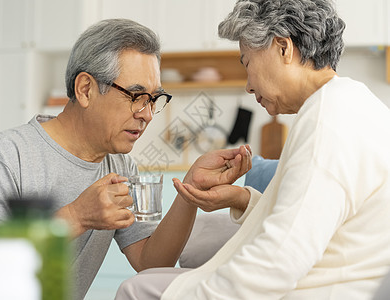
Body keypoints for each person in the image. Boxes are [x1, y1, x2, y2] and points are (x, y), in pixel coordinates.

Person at [0, 18, 253, 300]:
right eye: (136, 96)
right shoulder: (7, 157)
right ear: (85, 90)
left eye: (153, 99)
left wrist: (191, 191)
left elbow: (150, 261)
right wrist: (76, 217)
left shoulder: (120, 165)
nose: (147, 114)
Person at [115, 0, 390, 299]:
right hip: (334, 281)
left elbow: (279, 261)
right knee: (154, 280)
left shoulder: (327, 121)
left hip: (317, 290)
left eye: (247, 62)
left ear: (283, 48)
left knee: (137, 289)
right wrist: (241, 198)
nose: (248, 85)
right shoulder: (355, 102)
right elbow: (314, 220)